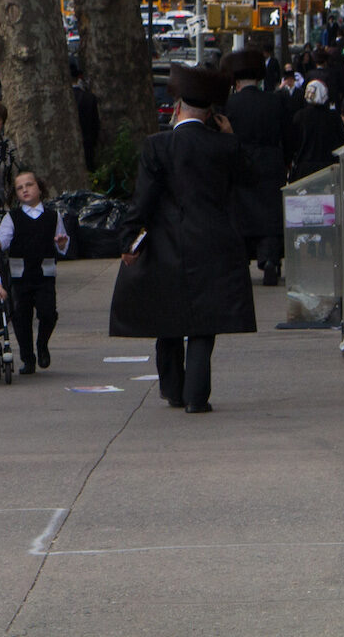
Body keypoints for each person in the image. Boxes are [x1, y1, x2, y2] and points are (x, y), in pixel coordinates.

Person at [108, 65, 257, 413]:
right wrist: (231, 137)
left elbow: (143, 199)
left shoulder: (158, 146)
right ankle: (196, 396)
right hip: (215, 240)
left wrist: (128, 239)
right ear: (211, 113)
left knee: (169, 317)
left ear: (177, 108)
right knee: (205, 323)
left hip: (168, 241)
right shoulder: (224, 146)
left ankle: (173, 389)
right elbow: (250, 178)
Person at [218, 49, 291, 287]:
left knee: (241, 214)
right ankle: (270, 259)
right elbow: (287, 135)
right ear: (259, 79)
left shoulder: (229, 104)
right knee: (270, 215)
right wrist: (286, 160)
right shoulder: (275, 101)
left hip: (240, 163)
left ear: (236, 81)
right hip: (271, 162)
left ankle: (240, 261)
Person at [0, 170, 70, 372]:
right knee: (21, 317)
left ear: (39, 188)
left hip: (44, 273)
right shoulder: (12, 217)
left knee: (48, 313)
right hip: (20, 275)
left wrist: (62, 243)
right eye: (20, 188)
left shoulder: (52, 216)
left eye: (29, 185)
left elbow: (61, 243)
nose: (25, 190)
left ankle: (42, 344)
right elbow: (2, 241)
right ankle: (28, 358)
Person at [289, 80, 344, 180]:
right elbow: (343, 142)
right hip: (329, 169)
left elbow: (292, 144)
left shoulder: (299, 116)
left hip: (304, 170)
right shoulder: (333, 117)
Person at [70, 58, 102, 173]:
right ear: (79, 77)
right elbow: (95, 126)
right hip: (87, 147)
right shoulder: (89, 98)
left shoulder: (61, 100)